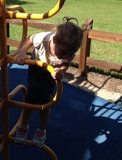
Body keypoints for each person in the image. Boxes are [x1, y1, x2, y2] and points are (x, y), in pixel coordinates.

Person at [15, 17, 83, 147]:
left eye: (70, 54)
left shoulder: (67, 50)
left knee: (46, 102)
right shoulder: (44, 38)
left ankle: (41, 130)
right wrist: (22, 51)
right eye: (63, 52)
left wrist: (62, 71)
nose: (65, 56)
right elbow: (30, 38)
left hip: (51, 74)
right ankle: (23, 126)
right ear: (55, 40)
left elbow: (65, 63)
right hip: (36, 68)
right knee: (30, 99)